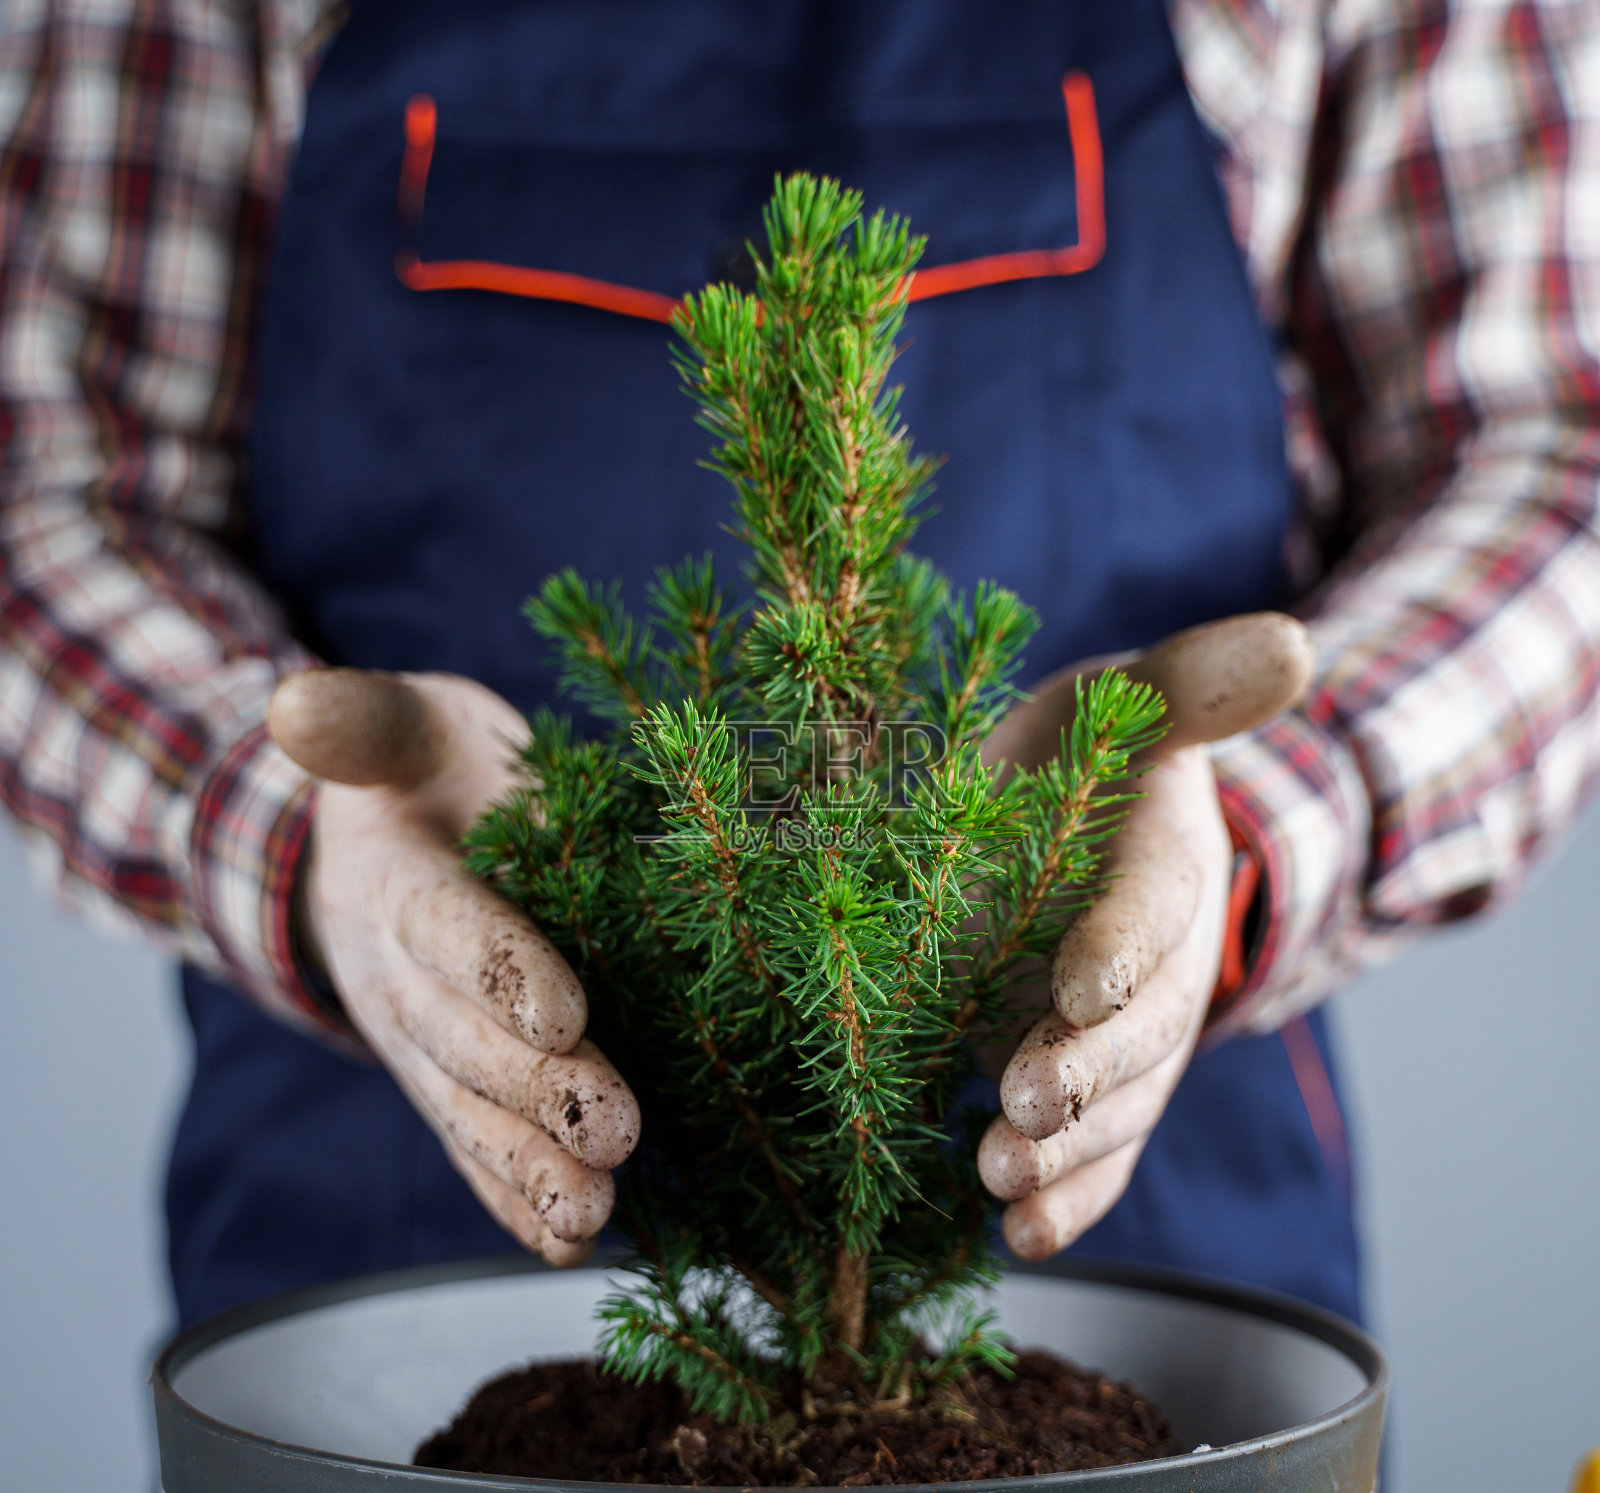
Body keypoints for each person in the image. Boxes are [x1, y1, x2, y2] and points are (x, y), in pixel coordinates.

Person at [1, 0, 1596, 1363]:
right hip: (393, 1231)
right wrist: (306, 836)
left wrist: (1253, 826)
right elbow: (49, 492)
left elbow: (1554, 447)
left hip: (1128, 1227)